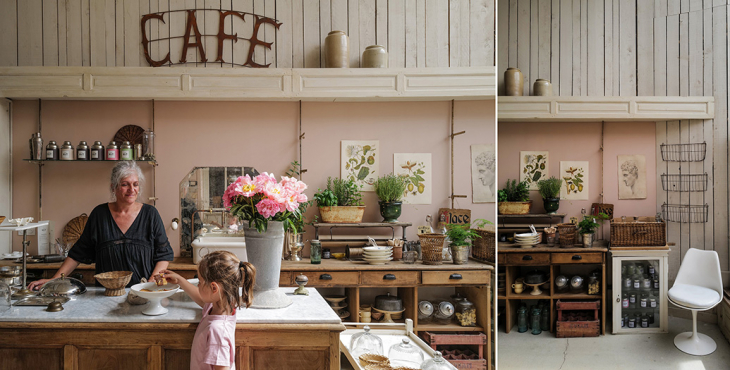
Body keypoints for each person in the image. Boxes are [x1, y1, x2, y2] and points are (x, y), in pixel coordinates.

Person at [28, 161, 174, 290]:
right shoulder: (100, 214)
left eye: (135, 184)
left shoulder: (150, 214)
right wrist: (54, 279)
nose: (132, 189)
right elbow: (78, 252)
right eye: (125, 184)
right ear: (113, 187)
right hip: (106, 294)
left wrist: (150, 285)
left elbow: (164, 254)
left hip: (143, 292)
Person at [161, 251, 256, 370]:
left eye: (199, 282)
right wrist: (180, 280)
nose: (198, 286)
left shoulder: (217, 331)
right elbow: (201, 299)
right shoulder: (220, 306)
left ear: (214, 288)